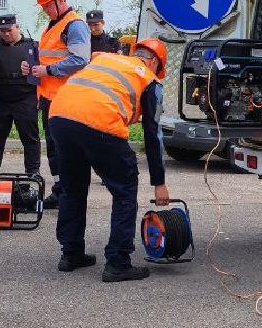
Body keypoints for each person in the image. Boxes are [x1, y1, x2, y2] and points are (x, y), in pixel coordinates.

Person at [47, 39, 171, 282]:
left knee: (73, 188)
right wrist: (159, 182)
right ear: (154, 62)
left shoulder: (104, 59)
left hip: (59, 116)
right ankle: (118, 263)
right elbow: (152, 132)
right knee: (124, 190)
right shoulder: (148, 78)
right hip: (100, 120)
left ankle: (71, 254)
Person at [27, 0, 90, 209]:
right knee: (54, 147)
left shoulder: (74, 25)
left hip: (67, 98)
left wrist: (49, 70)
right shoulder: (53, 25)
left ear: (59, 0)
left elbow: (80, 59)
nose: (44, 10)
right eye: (42, 7)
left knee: (66, 147)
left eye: (46, 6)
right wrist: (33, 67)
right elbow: (48, 58)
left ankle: (71, 191)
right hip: (49, 97)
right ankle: (60, 189)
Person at [0, 13, 41, 177]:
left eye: (9, 30)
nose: (6, 34)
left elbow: (40, 74)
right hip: (0, 99)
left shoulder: (32, 46)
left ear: (17, 27)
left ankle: (33, 171)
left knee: (30, 137)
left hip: (26, 97)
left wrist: (40, 97)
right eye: (2, 31)